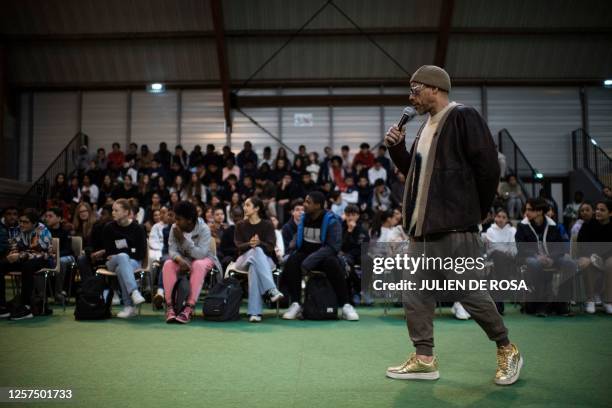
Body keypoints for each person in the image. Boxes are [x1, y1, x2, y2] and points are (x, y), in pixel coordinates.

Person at [384, 65, 521, 385]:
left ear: (435, 88)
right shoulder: (423, 128)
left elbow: (488, 169)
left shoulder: (462, 117)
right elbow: (414, 174)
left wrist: (473, 212)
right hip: (422, 229)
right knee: (415, 293)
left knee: (469, 292)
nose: (410, 97)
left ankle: (507, 348)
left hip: (455, 227)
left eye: (415, 90)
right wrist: (396, 149)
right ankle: (424, 359)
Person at [280, 192, 359, 321]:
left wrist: (310, 261)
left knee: (333, 263)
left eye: (308, 202)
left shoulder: (332, 221)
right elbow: (298, 240)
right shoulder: (304, 219)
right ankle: (296, 303)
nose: (304, 205)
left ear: (318, 205)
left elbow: (333, 247)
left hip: (325, 255)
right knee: (292, 261)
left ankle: (346, 305)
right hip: (305, 254)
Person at [515, 198, 574, 317]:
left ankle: (561, 303)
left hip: (552, 258)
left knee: (570, 264)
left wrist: (551, 258)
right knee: (534, 263)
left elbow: (561, 247)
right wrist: (538, 256)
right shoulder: (522, 226)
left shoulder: (554, 226)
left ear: (540, 211)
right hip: (530, 258)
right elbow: (521, 247)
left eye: (530, 210)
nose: (526, 212)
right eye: (526, 209)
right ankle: (542, 303)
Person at [163, 201, 219, 324]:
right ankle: (171, 306)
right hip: (184, 259)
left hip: (205, 259)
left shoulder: (204, 229)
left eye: (179, 219)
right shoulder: (175, 228)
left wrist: (182, 240)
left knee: (197, 265)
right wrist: (179, 260)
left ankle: (189, 307)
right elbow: (172, 250)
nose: (175, 222)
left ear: (189, 220)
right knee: (168, 264)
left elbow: (201, 254)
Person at [234, 197, 284, 322]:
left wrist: (259, 243)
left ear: (257, 208)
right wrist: (251, 244)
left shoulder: (267, 224)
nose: (244, 208)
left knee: (254, 266)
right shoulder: (240, 225)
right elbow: (238, 245)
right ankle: (271, 289)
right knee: (255, 251)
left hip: (265, 261)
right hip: (242, 260)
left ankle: (254, 313)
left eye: (248, 205)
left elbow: (271, 247)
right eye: (244, 205)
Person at [0, 208, 53, 320]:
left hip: (44, 260)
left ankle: (26, 307)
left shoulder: (42, 231)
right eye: (21, 221)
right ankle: (2, 306)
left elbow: (39, 253)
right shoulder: (20, 229)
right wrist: (12, 254)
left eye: (25, 222)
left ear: (34, 223)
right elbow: (14, 244)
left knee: (27, 266)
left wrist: (18, 256)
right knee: (2, 264)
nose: (21, 224)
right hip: (25, 258)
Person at [102, 199, 147, 318]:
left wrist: (123, 253)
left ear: (126, 212)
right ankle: (134, 292)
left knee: (121, 267)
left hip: (133, 262)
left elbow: (140, 253)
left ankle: (129, 307)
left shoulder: (138, 229)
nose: (113, 213)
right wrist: (128, 251)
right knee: (122, 257)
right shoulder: (109, 228)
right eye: (112, 210)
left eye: (116, 210)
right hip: (112, 262)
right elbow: (109, 252)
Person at [577, 200, 612, 314]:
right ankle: (590, 299)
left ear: (610, 213)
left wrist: (602, 257)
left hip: (608, 258)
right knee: (587, 263)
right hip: (591, 257)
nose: (598, 212)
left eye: (602, 210)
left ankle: (608, 301)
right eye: (597, 209)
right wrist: (589, 257)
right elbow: (581, 245)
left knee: (610, 264)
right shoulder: (587, 225)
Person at [484, 208, 518, 315]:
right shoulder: (490, 230)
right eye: (499, 216)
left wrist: (505, 249)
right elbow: (493, 248)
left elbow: (514, 249)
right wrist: (506, 249)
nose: (501, 219)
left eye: (504, 217)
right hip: (493, 259)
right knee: (498, 258)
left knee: (498, 272)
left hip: (509, 260)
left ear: (507, 219)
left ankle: (499, 304)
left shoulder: (512, 230)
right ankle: (504, 289)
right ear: (495, 218)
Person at [44, 208, 75, 304]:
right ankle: (42, 295)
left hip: (67, 256)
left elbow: (68, 249)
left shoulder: (65, 232)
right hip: (50, 256)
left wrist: (55, 256)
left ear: (59, 218)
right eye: (46, 216)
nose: (47, 219)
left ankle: (58, 292)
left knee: (60, 261)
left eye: (50, 216)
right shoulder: (44, 231)